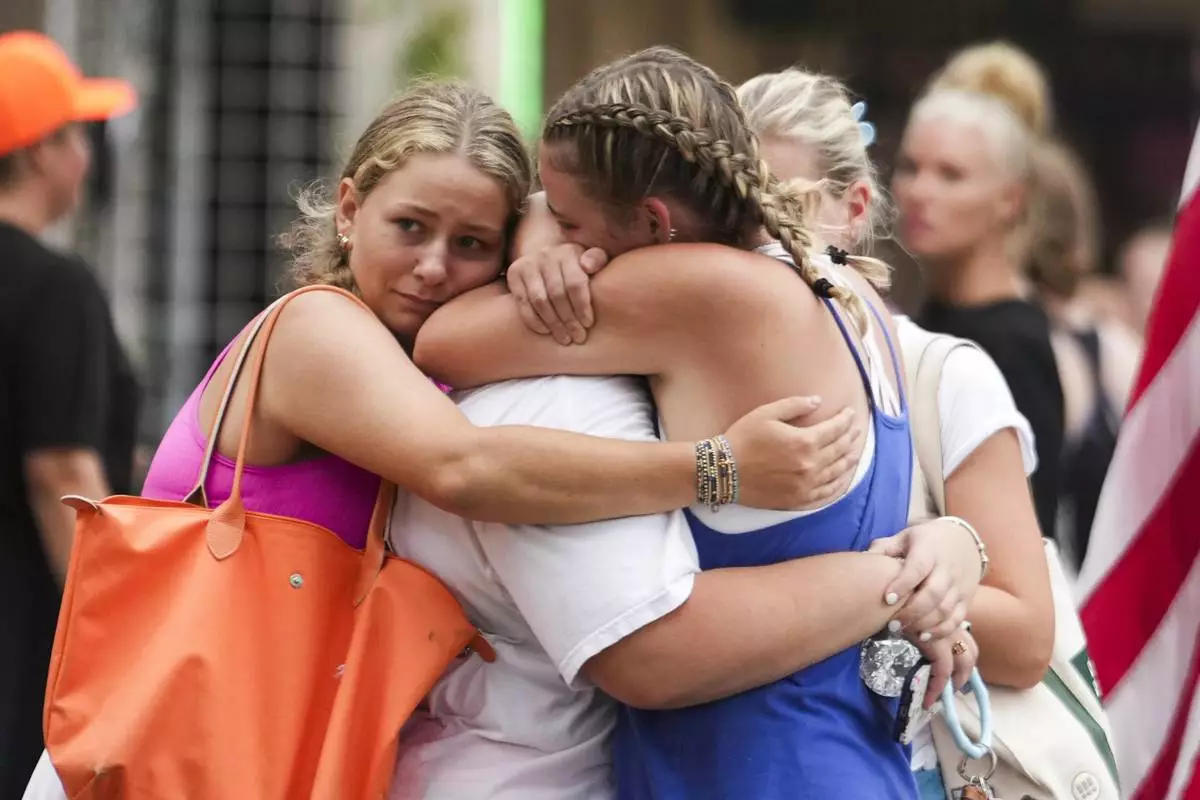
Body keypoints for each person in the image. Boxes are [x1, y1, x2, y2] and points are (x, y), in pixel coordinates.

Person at [21, 75, 926, 800]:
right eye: (409, 227)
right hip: (173, 748)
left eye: (471, 244)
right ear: (348, 209)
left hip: (273, 744)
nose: (432, 266)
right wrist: (718, 469)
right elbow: (467, 467)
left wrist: (544, 249)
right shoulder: (315, 330)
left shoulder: (432, 365)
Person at [413, 47, 985, 799]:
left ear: (654, 222)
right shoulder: (847, 290)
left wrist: (536, 249)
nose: (559, 233)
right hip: (848, 764)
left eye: (569, 218)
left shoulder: (703, 290)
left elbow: (443, 342)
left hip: (752, 774)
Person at [735, 65, 1053, 797]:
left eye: (784, 204)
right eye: (730, 203)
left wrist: (925, 570)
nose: (755, 234)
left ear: (853, 209)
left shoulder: (944, 373)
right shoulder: (671, 365)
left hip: (899, 768)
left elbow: (1029, 635)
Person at [0, 31, 142, 796]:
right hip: (22, 631)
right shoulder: (53, 286)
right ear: (40, 152)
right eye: (77, 137)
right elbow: (60, 471)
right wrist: (115, 632)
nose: (88, 158)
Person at [892, 84, 1065, 541]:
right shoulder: (931, 316)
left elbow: (1029, 533)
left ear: (1010, 200)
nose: (919, 191)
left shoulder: (1013, 342)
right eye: (909, 167)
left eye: (951, 175)